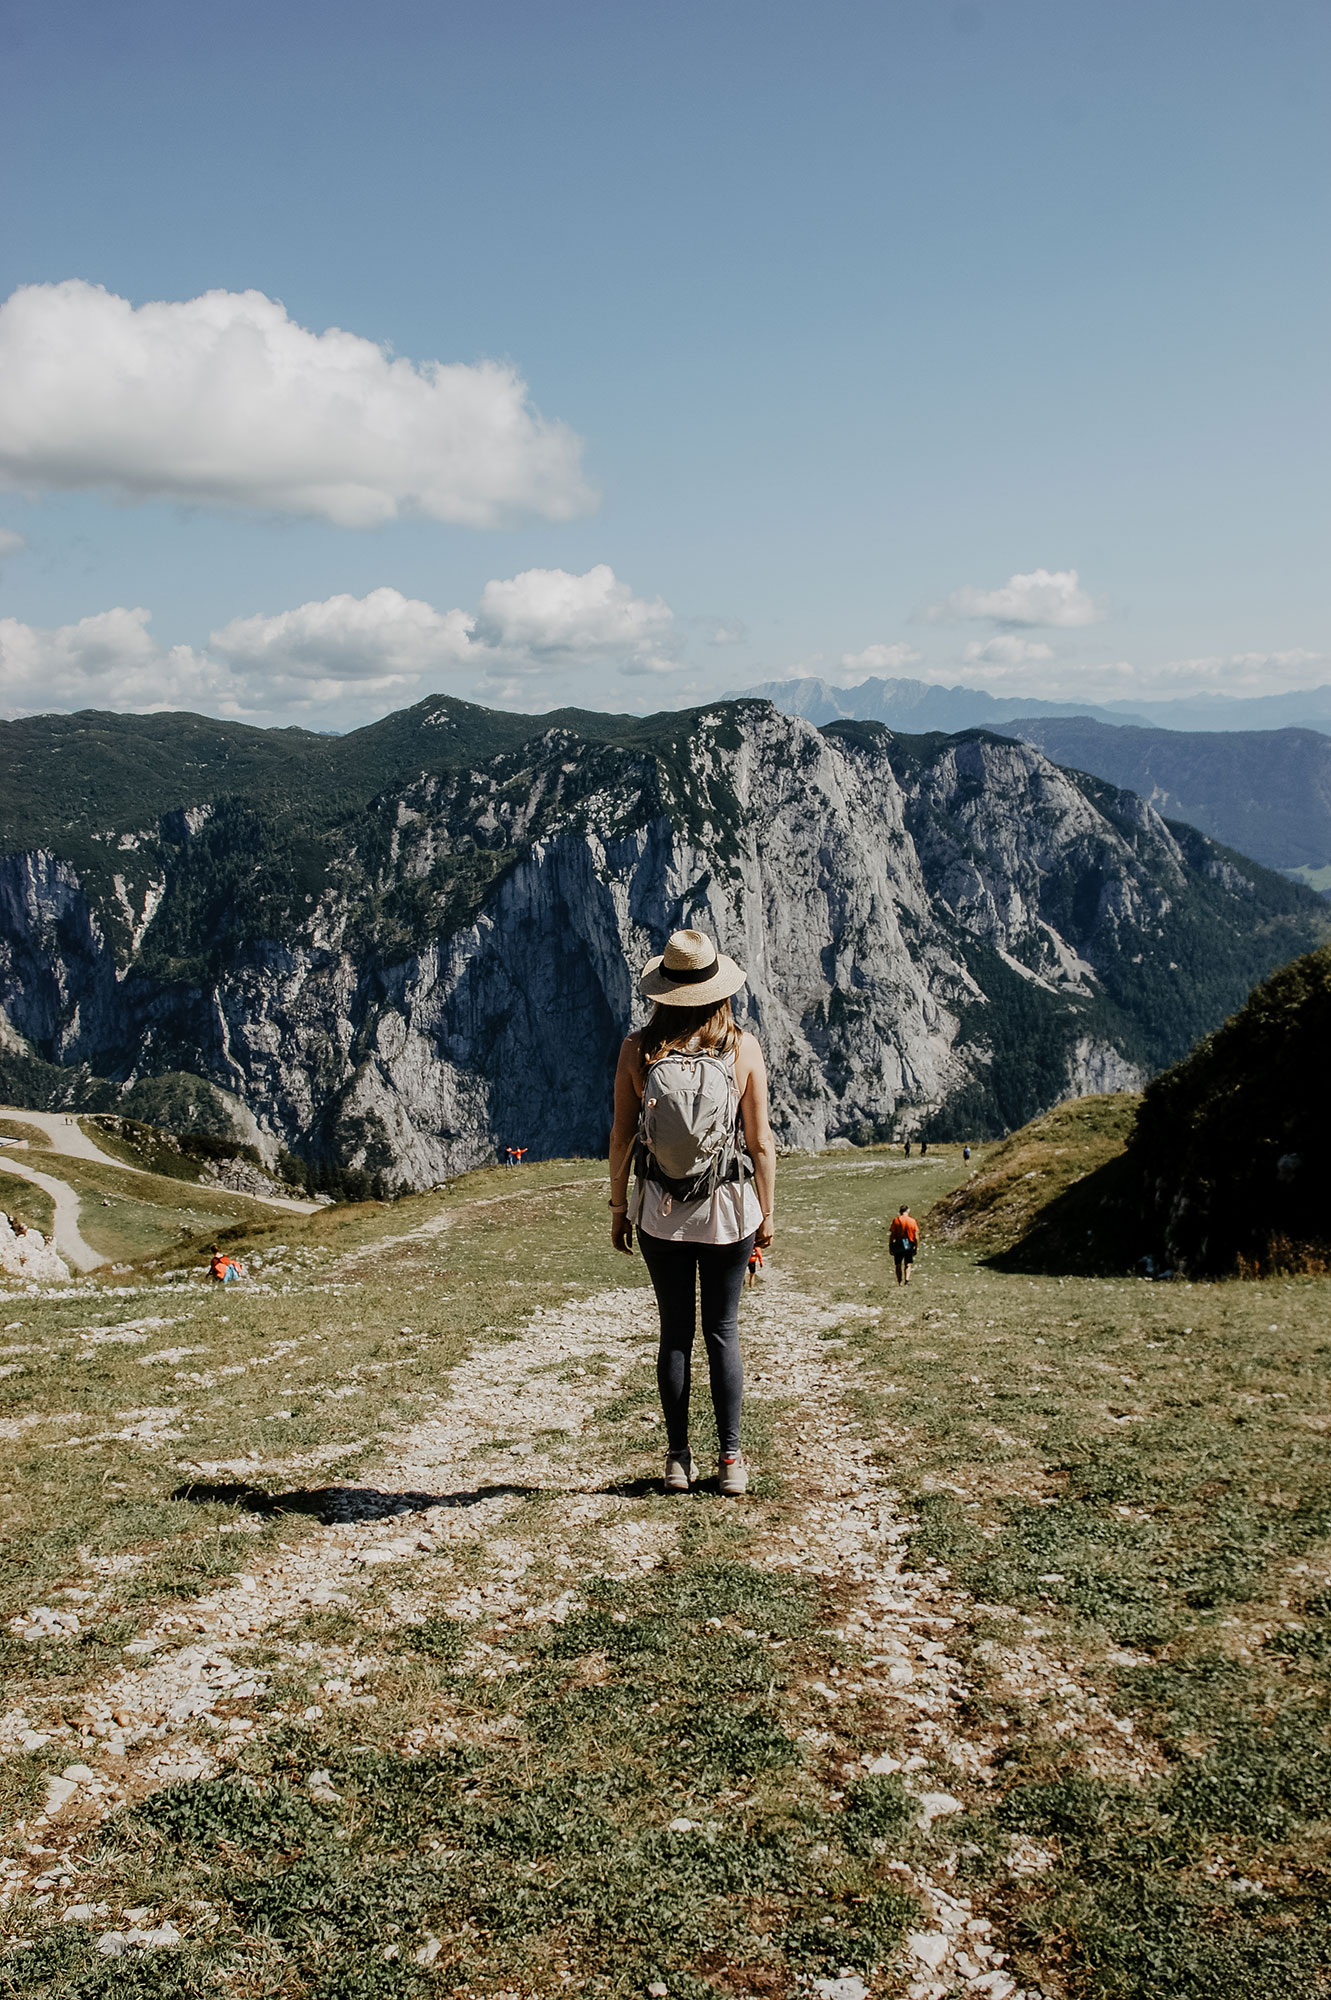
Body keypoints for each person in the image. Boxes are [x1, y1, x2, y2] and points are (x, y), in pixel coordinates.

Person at [608, 929, 775, 1497]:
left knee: (675, 1333)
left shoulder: (638, 1049)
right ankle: (730, 1461)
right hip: (729, 1211)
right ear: (716, 987)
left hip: (659, 1209)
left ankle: (678, 1461)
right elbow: (762, 1144)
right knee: (723, 1331)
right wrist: (766, 1217)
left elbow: (620, 1140)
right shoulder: (741, 1048)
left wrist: (618, 1210)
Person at [888, 1203, 919, 1286]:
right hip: (909, 1244)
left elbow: (892, 1235)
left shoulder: (896, 1220)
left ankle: (899, 1281)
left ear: (900, 1212)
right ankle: (907, 1280)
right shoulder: (912, 1221)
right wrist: (916, 1247)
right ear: (908, 1211)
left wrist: (890, 1246)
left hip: (898, 1244)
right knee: (908, 1263)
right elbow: (916, 1236)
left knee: (898, 1264)